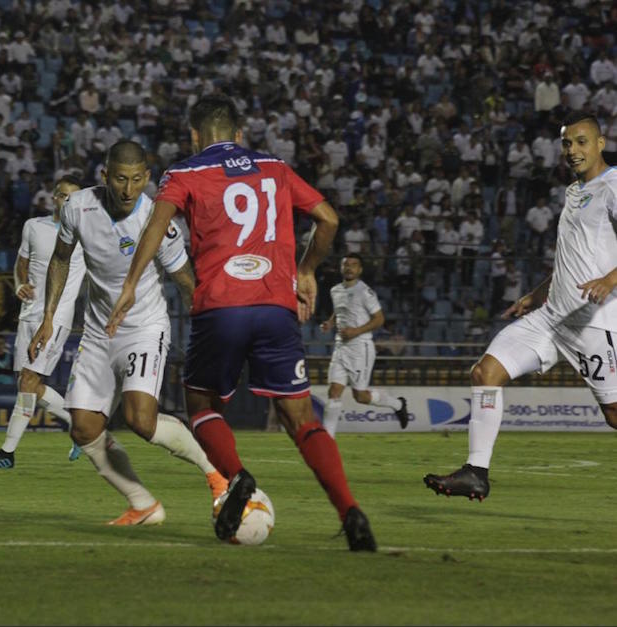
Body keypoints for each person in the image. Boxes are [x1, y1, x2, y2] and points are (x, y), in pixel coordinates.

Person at [106, 95, 376, 550]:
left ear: (195, 136)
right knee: (301, 419)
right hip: (276, 307)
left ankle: (237, 477)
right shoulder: (275, 166)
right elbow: (328, 218)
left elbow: (155, 225)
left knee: (202, 405)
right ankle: (350, 511)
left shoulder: (184, 173)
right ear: (239, 134)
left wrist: (131, 282)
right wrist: (305, 271)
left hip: (220, 306)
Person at [28, 140, 228, 525]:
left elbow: (185, 278)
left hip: (144, 327)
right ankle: (143, 504)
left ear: (147, 179)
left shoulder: (156, 219)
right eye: (120, 179)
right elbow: (60, 259)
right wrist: (48, 317)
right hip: (99, 332)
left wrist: (208, 321)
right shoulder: (78, 207)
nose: (128, 189)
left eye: (137, 180)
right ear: (105, 176)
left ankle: (215, 473)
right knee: (84, 428)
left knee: (141, 420)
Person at [424, 111, 617, 501]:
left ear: (600, 143)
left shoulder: (613, 186)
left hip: (592, 323)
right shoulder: (575, 191)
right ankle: (476, 472)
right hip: (551, 318)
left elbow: (601, 267)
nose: (572, 150)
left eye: (581, 142)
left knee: (614, 415)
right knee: (485, 372)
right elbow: (574, 258)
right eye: (566, 143)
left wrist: (610, 280)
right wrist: (537, 294)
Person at [0, 176, 87, 469]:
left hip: (56, 318)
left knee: (28, 381)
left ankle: (7, 453)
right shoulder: (33, 226)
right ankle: (82, 429)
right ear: (53, 197)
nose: (67, 202)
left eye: (73, 197)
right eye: (63, 196)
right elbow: (21, 263)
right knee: (27, 385)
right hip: (28, 313)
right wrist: (19, 284)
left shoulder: (86, 234)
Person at [318, 254, 409, 438]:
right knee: (334, 391)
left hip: (361, 348)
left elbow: (379, 319)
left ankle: (398, 404)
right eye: (346, 264)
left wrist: (356, 331)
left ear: (359, 270)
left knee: (360, 397)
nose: (349, 268)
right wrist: (329, 323)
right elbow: (339, 311)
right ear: (341, 268)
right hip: (341, 347)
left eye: (353, 265)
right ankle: (328, 441)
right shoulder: (335, 290)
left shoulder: (365, 292)